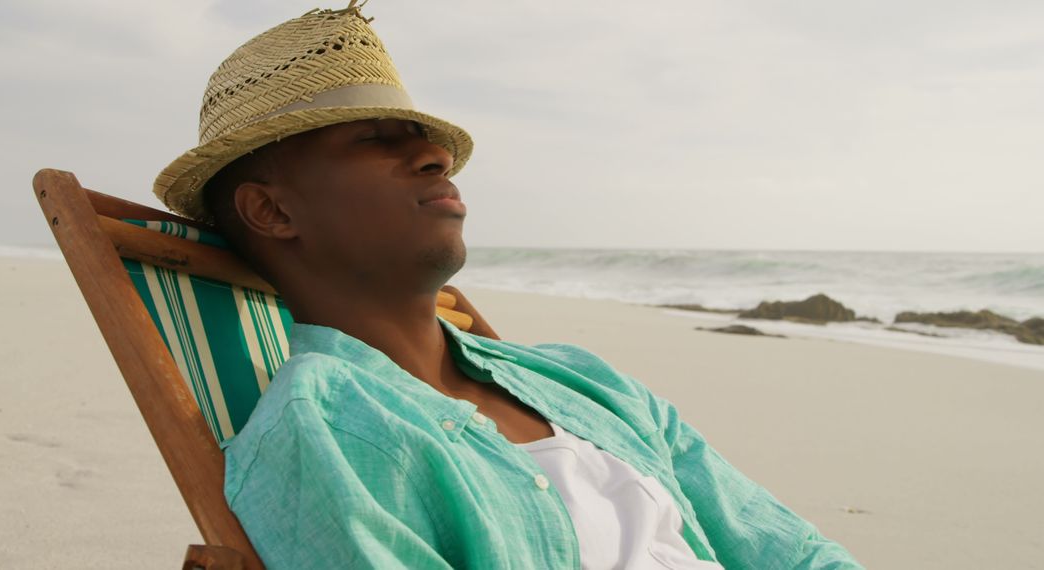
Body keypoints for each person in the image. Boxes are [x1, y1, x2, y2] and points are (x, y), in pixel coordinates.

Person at [154, 4, 863, 569]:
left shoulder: (585, 381)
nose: (434, 155)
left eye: (421, 138)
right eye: (377, 138)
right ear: (273, 211)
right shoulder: (318, 437)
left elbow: (793, 553)